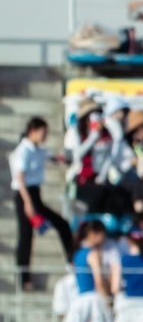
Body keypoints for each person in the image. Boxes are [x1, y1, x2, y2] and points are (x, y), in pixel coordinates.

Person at [10, 116, 72, 290]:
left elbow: (50, 156)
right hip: (25, 195)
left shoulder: (37, 149)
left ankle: (71, 259)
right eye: (43, 133)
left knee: (62, 224)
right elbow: (20, 179)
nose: (45, 136)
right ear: (33, 132)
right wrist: (28, 204)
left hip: (35, 194)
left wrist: (62, 160)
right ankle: (23, 278)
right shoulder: (23, 151)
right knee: (26, 236)